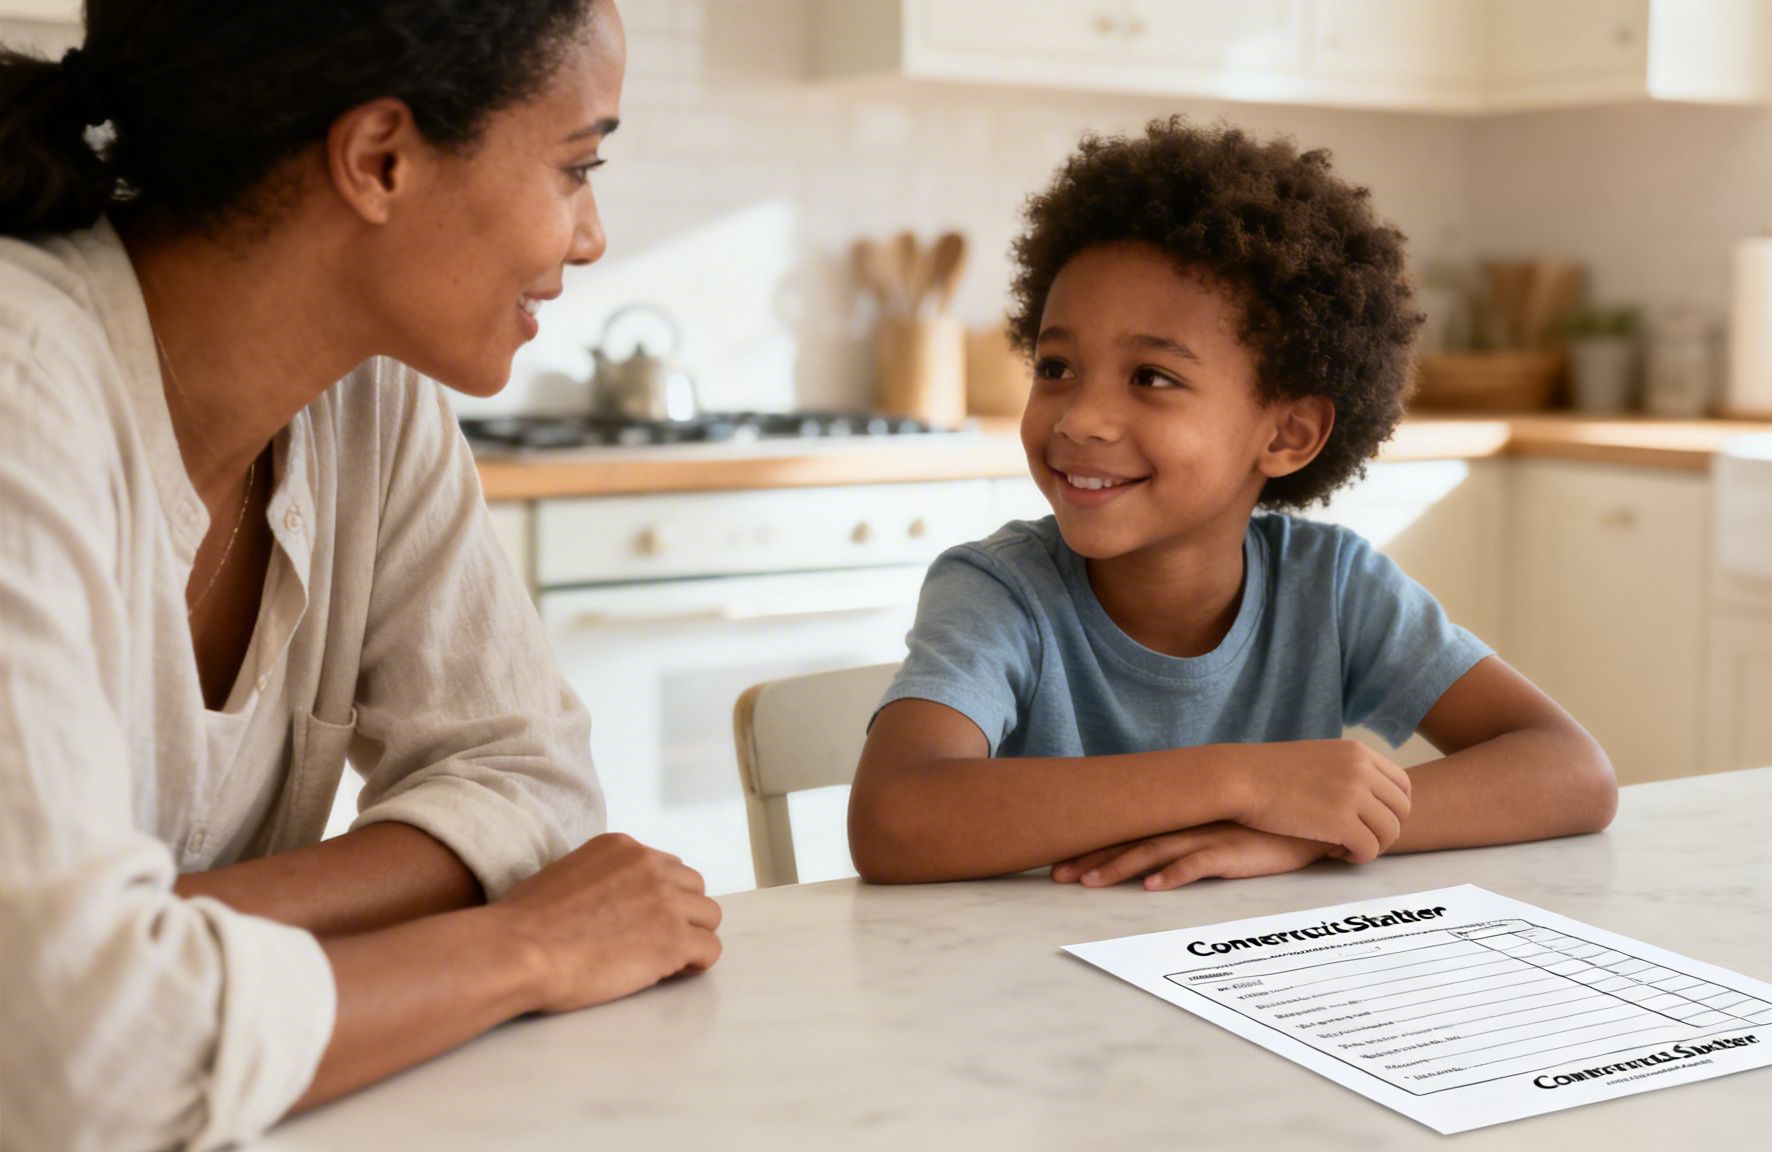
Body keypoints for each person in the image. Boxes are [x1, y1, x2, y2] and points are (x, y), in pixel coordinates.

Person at [0, 3, 720, 1149]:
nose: (588, 236)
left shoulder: (366, 399)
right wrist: (525, 946)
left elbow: (529, 774)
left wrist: (161, 939)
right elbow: (83, 1055)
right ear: (380, 159)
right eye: (576, 167)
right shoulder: (21, 383)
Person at [849, 118, 1618, 890]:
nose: (1079, 417)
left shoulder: (1331, 588)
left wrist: (1319, 831)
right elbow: (896, 819)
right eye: (1056, 366)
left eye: (1150, 377)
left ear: (1287, 434)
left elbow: (1572, 770)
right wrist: (1245, 783)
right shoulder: (1001, 593)